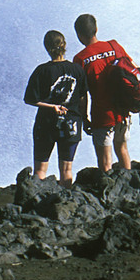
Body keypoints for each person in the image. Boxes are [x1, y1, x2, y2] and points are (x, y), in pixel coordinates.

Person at [23, 29, 87, 186]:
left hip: (45, 124)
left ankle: (36, 200)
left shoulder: (42, 71)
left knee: (40, 170)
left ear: (46, 47)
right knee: (66, 170)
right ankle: (66, 202)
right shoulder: (77, 69)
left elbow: (30, 99)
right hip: (72, 123)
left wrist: (51, 107)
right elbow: (83, 97)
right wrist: (84, 118)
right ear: (64, 45)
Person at [73, 14, 134, 171]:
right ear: (96, 29)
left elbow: (82, 94)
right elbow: (132, 69)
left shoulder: (80, 58)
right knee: (122, 149)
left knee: (105, 161)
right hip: (123, 110)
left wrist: (84, 118)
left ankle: (108, 191)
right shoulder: (114, 46)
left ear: (78, 35)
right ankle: (127, 183)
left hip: (102, 115)